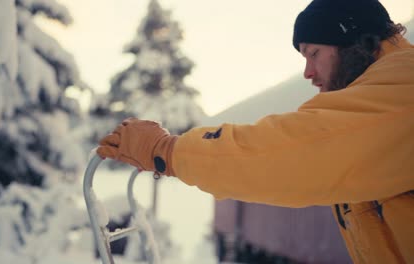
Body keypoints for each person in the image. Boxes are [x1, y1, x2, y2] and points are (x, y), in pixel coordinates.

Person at [97, 0, 414, 262]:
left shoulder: (403, 89)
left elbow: (294, 147)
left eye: (313, 53)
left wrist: (167, 151)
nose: (308, 72)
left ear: (352, 40)